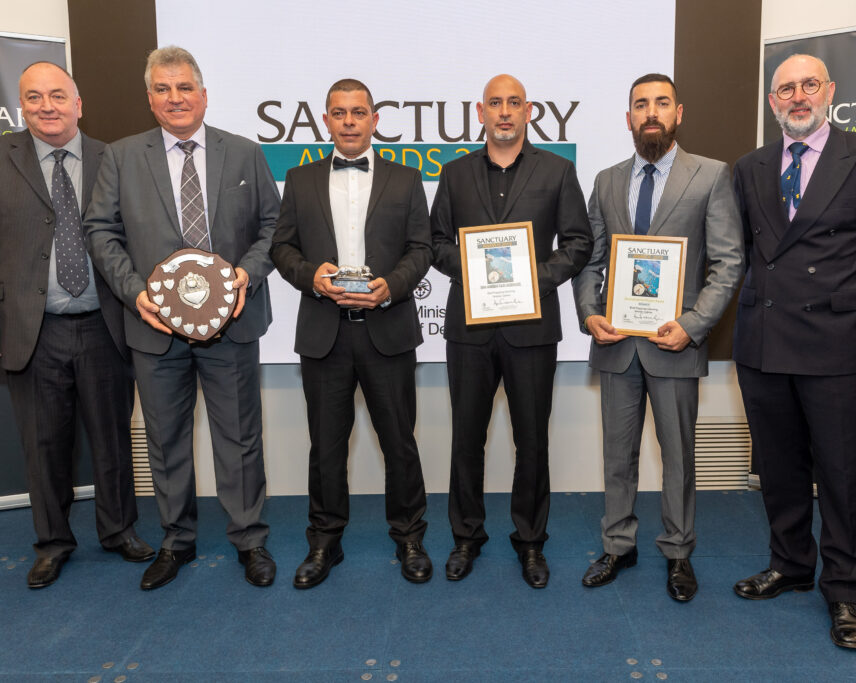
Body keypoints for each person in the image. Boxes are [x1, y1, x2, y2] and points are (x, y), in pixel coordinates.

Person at [84, 46, 281, 590]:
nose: (176, 98)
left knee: (240, 438)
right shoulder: (121, 157)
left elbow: (273, 227)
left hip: (231, 326)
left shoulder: (243, 153)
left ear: (204, 94)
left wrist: (244, 275)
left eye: (184, 88)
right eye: (163, 89)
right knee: (166, 440)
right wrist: (135, 292)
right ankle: (176, 542)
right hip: (155, 330)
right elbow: (100, 231)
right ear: (150, 100)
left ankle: (250, 540)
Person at [731, 54, 856, 648]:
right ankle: (790, 564)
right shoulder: (751, 166)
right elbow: (752, 253)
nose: (798, 96)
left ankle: (845, 592)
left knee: (842, 475)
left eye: (809, 84)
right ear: (771, 101)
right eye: (786, 88)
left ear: (829, 90)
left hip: (838, 345)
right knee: (780, 470)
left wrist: (843, 303)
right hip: (764, 342)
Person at [0, 62, 152, 589]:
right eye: (35, 97)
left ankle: (118, 531)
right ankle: (53, 542)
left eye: (58, 96)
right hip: (29, 330)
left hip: (106, 325)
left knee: (112, 438)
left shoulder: (116, 158)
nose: (48, 106)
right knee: (44, 445)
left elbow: (135, 241)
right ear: (22, 105)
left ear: (78, 103)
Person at [572, 73, 744, 601]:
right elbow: (592, 261)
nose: (651, 112)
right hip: (617, 345)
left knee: (678, 458)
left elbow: (728, 262)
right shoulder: (605, 180)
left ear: (679, 113)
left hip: (675, 344)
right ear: (628, 118)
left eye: (661, 103)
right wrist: (589, 313)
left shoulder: (712, 176)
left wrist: (692, 325)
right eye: (641, 104)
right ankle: (618, 545)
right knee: (617, 457)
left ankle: (677, 552)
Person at [270, 79, 433, 588]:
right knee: (325, 446)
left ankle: (409, 537)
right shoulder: (299, 180)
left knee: (400, 443)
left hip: (387, 330)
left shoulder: (407, 180)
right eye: (339, 113)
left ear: (374, 120)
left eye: (358, 112)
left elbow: (422, 250)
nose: (348, 121)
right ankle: (324, 543)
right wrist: (310, 278)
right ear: (326, 120)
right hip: (325, 333)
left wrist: (390, 287)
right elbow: (281, 248)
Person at [431, 74, 592, 588]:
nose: (504, 112)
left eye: (514, 103)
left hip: (532, 327)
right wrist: (475, 272)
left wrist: (532, 278)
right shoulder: (454, 174)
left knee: (532, 440)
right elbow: (434, 243)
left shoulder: (558, 171)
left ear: (529, 112)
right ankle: (466, 538)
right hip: (469, 330)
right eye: (495, 103)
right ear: (481, 111)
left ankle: (529, 541)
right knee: (465, 439)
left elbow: (578, 242)